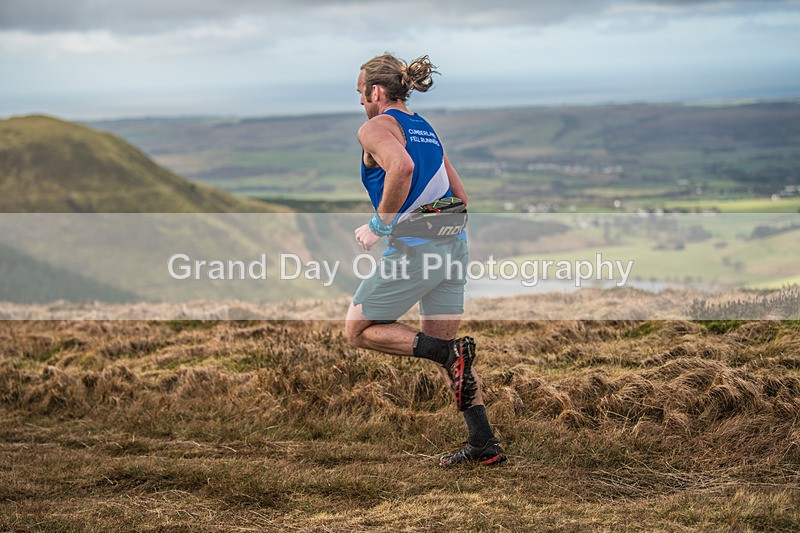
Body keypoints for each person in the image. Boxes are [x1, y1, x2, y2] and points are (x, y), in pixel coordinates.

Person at [345, 53, 506, 466]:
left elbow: (400, 166)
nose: (359, 99)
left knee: (359, 329)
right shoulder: (426, 129)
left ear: (375, 92)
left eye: (360, 91)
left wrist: (380, 226)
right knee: (446, 350)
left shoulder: (375, 127)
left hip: (417, 252)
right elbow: (461, 200)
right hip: (455, 246)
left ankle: (447, 355)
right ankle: (484, 445)